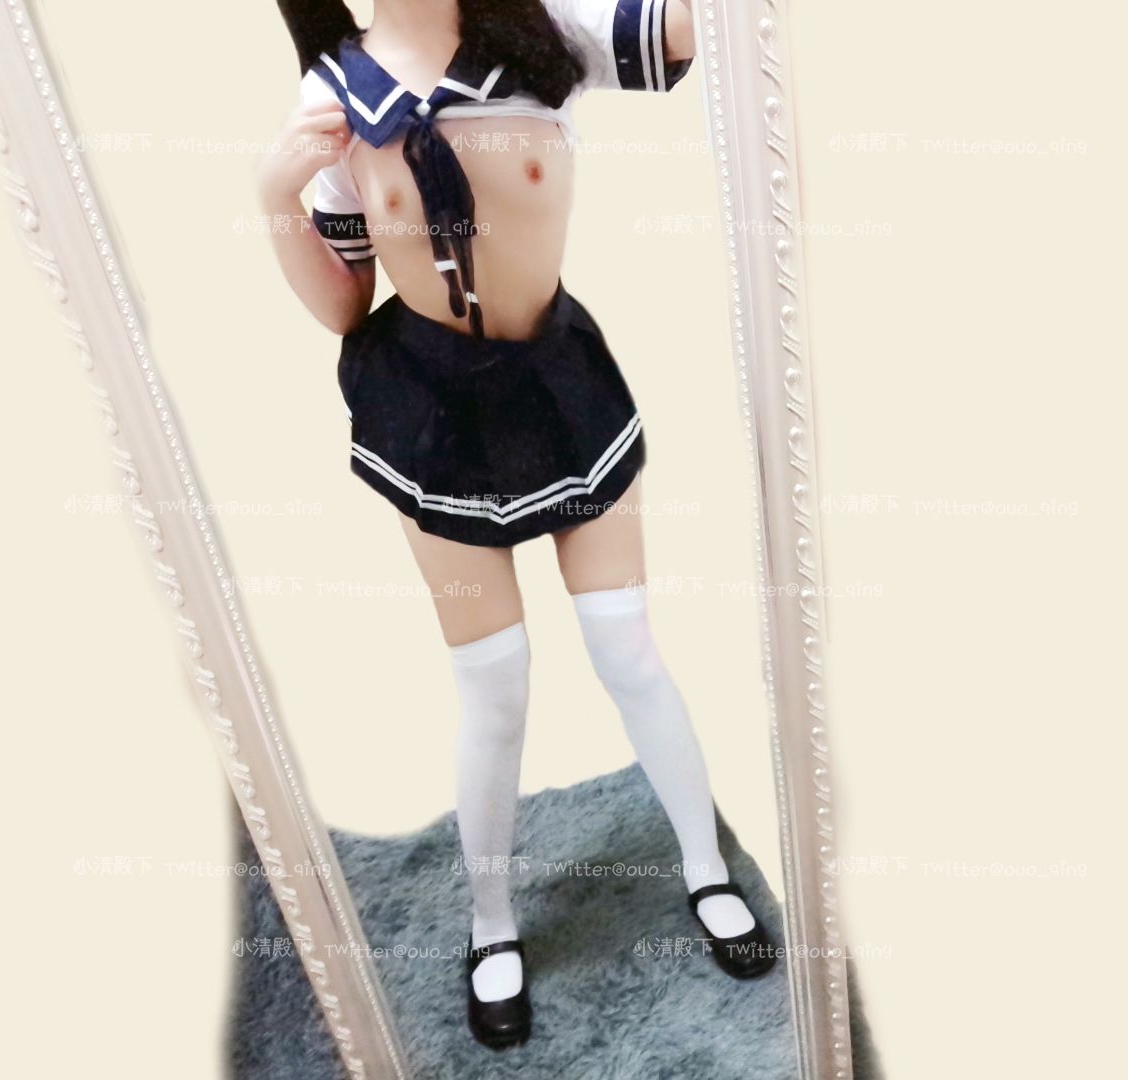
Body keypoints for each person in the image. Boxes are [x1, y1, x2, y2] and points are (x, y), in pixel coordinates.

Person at [262, 0, 775, 1050]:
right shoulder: (334, 95)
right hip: (430, 411)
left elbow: (710, 28)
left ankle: (705, 867)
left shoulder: (547, 32)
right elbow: (344, 306)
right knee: (493, 686)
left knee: (628, 649)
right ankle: (491, 924)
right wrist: (273, 195)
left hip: (558, 386)